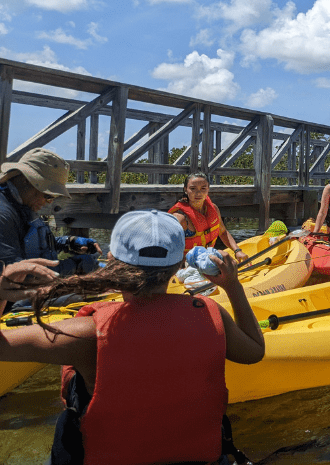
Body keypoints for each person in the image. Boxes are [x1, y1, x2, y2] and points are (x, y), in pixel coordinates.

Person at [0, 209, 265, 464]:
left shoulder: (86, 334)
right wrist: (232, 285)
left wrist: (2, 291)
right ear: (178, 267)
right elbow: (254, 351)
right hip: (200, 459)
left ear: (113, 260)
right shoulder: (210, 313)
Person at [0, 148, 101, 284]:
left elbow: (35, 245)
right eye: (48, 195)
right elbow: (13, 278)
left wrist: (70, 242)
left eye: (53, 197)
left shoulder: (20, 204)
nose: (49, 202)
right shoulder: (3, 216)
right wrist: (75, 266)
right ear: (25, 180)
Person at [169, 172, 248, 264]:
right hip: (185, 265)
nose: (198, 193)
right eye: (193, 189)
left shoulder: (213, 208)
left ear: (208, 189)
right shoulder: (180, 218)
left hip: (206, 259)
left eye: (203, 188)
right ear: (186, 190)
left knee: (227, 259)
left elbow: (222, 232)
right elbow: (167, 248)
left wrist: (237, 251)